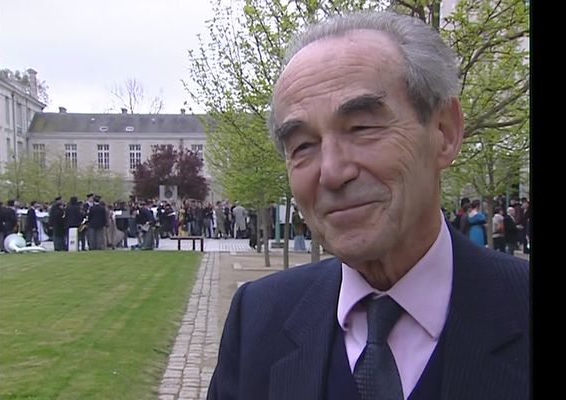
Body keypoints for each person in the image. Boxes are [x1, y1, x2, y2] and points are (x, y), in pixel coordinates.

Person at [208, 10, 529, 400]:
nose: (332, 172)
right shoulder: (258, 320)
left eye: (362, 128)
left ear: (444, 132)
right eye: (303, 146)